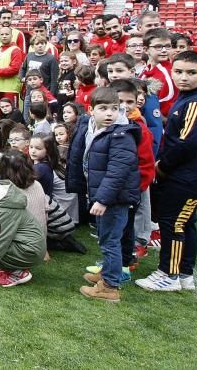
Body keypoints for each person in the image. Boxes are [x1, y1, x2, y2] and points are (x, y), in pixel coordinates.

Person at [136, 51, 197, 293]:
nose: (184, 77)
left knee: (173, 222)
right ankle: (185, 273)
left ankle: (168, 274)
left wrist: (162, 166)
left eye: (191, 73)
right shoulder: (188, 97)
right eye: (179, 72)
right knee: (185, 221)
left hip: (192, 175)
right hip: (192, 172)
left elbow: (187, 143)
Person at [67, 87, 140, 302]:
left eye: (115, 109)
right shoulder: (93, 128)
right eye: (103, 108)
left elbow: (118, 171)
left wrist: (103, 199)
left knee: (110, 241)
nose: (109, 113)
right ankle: (108, 272)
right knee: (107, 237)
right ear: (91, 110)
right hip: (103, 195)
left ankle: (109, 286)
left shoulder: (120, 135)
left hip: (113, 199)